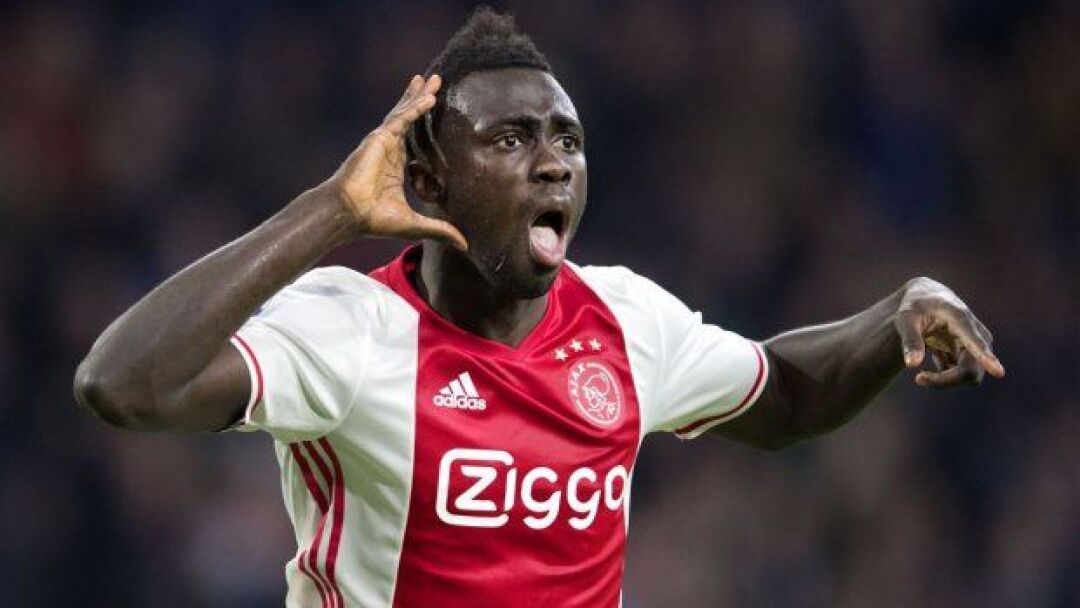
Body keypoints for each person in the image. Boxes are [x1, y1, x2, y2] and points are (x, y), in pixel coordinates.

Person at [73, 8, 1004, 608]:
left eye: (567, 139)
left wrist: (900, 308)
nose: (553, 161)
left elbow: (787, 395)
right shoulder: (352, 330)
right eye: (512, 139)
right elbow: (123, 385)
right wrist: (333, 210)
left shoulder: (626, 322)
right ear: (429, 180)